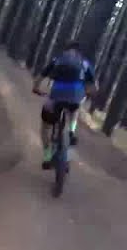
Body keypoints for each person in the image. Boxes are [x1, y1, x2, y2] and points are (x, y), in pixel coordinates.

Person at [32, 41, 97, 170]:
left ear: (66, 50)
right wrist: (87, 95)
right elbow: (94, 86)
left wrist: (35, 88)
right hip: (75, 95)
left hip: (57, 94)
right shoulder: (84, 63)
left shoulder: (58, 59)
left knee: (46, 126)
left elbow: (41, 76)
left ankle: (46, 156)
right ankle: (72, 131)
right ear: (79, 52)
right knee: (75, 110)